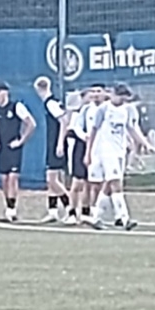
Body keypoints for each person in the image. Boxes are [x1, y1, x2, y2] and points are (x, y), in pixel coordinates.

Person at [85, 83, 153, 231]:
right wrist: (88, 153)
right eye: (120, 97)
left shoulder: (126, 110)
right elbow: (93, 131)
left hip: (119, 151)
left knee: (108, 185)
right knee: (116, 183)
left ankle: (96, 217)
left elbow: (132, 129)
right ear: (113, 94)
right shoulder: (104, 109)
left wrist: (145, 144)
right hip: (106, 151)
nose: (123, 100)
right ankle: (124, 218)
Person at [0, 81, 35, 222]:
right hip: (2, 149)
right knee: (4, 179)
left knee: (13, 177)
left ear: (6, 92)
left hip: (13, 148)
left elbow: (31, 124)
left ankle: (12, 210)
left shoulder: (16, 107)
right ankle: (8, 206)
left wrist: (21, 141)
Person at [66, 84, 107, 225]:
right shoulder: (86, 109)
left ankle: (86, 212)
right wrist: (85, 136)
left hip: (99, 148)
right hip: (83, 147)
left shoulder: (108, 109)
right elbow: (76, 126)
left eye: (98, 91)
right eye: (93, 91)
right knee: (77, 182)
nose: (95, 94)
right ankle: (71, 212)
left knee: (92, 184)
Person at [35, 76, 73, 223]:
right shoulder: (52, 102)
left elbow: (64, 121)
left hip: (56, 143)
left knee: (51, 179)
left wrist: (60, 143)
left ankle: (70, 208)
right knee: (52, 179)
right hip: (52, 142)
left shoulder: (51, 103)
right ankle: (53, 211)